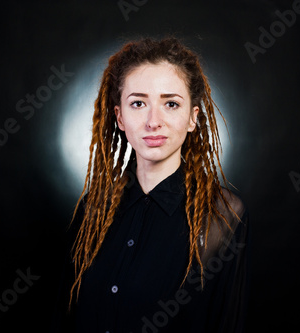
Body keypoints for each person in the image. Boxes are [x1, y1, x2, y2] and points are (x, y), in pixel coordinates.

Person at [53, 37, 249, 333]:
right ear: (119, 116)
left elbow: (226, 324)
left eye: (171, 103)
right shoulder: (94, 208)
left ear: (192, 119)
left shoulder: (222, 215)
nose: (153, 121)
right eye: (138, 103)